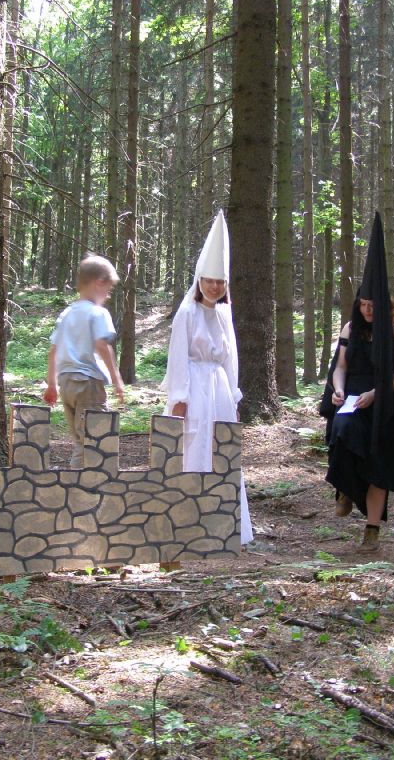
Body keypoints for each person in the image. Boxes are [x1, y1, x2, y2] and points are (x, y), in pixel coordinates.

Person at [319, 212, 394, 553]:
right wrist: (339, 388)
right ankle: (345, 489)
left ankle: (372, 530)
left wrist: (376, 394)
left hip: (385, 407)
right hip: (352, 400)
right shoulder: (351, 329)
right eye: (363, 304)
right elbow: (340, 366)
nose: (367, 310)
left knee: (380, 464)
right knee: (342, 433)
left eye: (372, 305)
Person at [164, 211, 253, 546]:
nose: (215, 287)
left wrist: (234, 397)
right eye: (210, 280)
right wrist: (180, 398)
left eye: (220, 282)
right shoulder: (187, 312)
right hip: (194, 389)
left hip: (219, 391)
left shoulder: (224, 314)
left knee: (221, 448)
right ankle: (188, 520)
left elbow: (231, 359)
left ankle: (222, 521)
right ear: (200, 279)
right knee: (194, 446)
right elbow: (178, 357)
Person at [44, 255, 125, 468]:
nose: (108, 295)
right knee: (92, 440)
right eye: (108, 289)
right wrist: (117, 379)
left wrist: (52, 385)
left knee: (80, 440)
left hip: (66, 383)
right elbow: (102, 345)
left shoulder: (67, 313)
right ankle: (80, 485)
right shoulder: (98, 313)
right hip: (88, 383)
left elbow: (53, 352)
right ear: (99, 282)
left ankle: (77, 482)